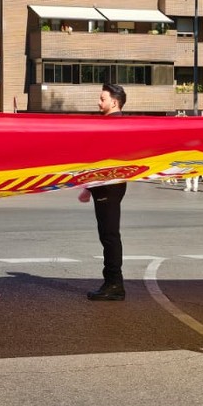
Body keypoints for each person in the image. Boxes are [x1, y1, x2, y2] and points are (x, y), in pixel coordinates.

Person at [81, 82, 128, 300]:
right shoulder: (116, 124)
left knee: (109, 235)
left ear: (114, 102)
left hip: (109, 184)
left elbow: (103, 159)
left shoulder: (114, 125)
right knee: (108, 234)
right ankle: (112, 282)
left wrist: (89, 186)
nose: (98, 102)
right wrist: (88, 187)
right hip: (108, 184)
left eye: (102, 99)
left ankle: (114, 284)